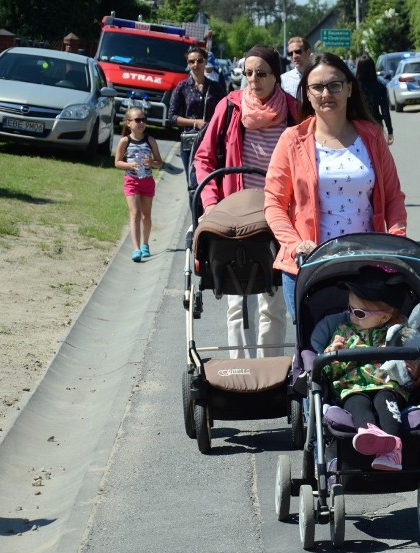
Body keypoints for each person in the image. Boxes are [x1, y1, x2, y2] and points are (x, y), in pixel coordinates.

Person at [263, 53, 408, 321]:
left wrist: (395, 241)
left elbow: (394, 199)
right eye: (317, 87)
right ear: (307, 93)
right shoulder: (292, 140)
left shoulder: (372, 136)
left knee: (366, 352)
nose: (326, 93)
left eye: (334, 85)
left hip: (366, 267)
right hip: (309, 267)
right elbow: (273, 203)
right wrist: (295, 245)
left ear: (349, 88)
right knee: (314, 354)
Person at [194, 45, 296, 360]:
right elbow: (204, 158)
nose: (253, 80)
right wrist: (211, 205)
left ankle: (272, 372)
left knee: (273, 302)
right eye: (248, 73)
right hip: (237, 216)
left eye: (261, 73)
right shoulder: (231, 107)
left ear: (276, 75)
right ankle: (241, 368)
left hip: (280, 216)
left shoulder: (294, 110)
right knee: (237, 301)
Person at [311, 265, 420, 471]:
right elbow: (328, 374)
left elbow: (415, 367)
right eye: (350, 310)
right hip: (352, 387)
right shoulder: (343, 332)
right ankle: (370, 435)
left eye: (360, 313)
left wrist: (410, 367)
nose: (352, 316)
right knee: (357, 403)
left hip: (388, 386)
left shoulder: (396, 335)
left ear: (384, 316)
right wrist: (333, 355)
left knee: (385, 401)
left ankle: (393, 449)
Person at [169, 46, 226, 180]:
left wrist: (213, 125)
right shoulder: (182, 87)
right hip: (190, 141)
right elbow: (172, 117)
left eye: (199, 61)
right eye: (192, 61)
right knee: (193, 183)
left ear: (205, 62)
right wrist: (195, 122)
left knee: (209, 181)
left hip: (212, 141)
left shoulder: (215, 87)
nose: (196, 65)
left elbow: (226, 111)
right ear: (188, 64)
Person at [114, 107, 163, 262]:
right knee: (134, 213)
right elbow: (117, 162)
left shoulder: (150, 140)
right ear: (128, 123)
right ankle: (136, 249)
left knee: (145, 216)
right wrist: (129, 166)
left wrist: (152, 163)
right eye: (137, 120)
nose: (141, 123)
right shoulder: (124, 141)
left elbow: (160, 163)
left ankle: (145, 244)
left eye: (143, 119)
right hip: (131, 181)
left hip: (147, 181)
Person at [355, 54, 394, 145]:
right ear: (373, 68)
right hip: (375, 124)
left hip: (357, 126)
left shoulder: (353, 88)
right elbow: (385, 111)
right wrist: (390, 131)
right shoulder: (380, 87)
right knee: (377, 155)